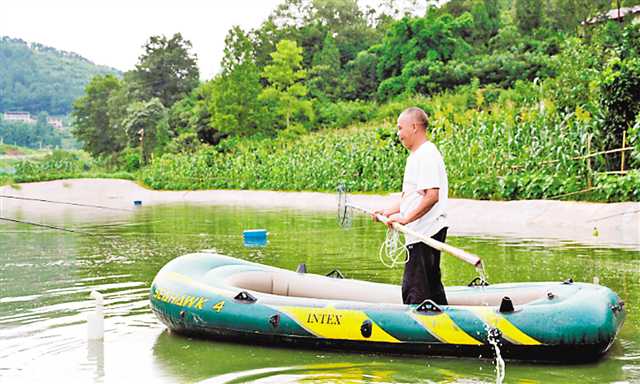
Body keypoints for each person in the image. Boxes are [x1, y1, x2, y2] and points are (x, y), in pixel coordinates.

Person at [373, 107, 449, 305]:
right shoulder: (417, 156)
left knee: (414, 288)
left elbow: (432, 196)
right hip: (420, 231)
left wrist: (406, 219)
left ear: (414, 127)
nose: (398, 134)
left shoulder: (427, 154)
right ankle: (445, 325)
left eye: (400, 128)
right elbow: (413, 196)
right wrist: (389, 211)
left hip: (425, 232)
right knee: (432, 287)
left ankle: (417, 329)